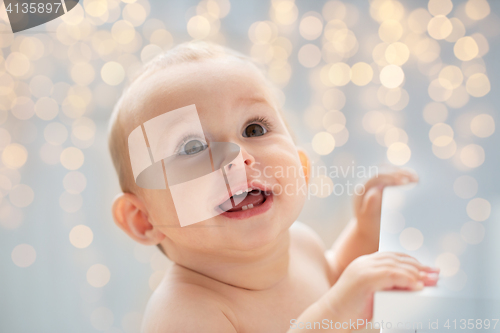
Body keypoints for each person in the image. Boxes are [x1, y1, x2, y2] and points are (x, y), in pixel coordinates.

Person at [108, 41, 439, 332]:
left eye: (253, 129)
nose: (237, 157)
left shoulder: (301, 242)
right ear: (143, 219)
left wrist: (367, 230)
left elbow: (334, 276)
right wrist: (338, 309)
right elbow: (340, 300)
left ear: (302, 167)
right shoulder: (184, 312)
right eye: (192, 148)